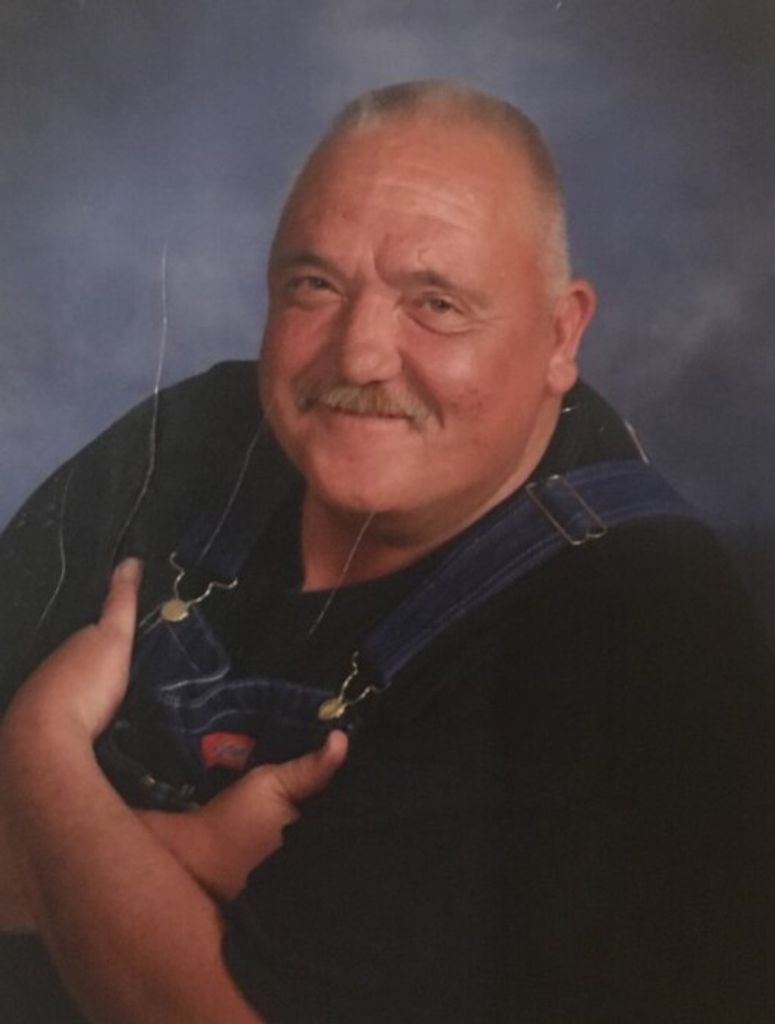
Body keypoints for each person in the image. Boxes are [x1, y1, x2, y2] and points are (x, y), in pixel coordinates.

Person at [0, 80, 774, 1023]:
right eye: (315, 286)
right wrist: (190, 852)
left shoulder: (631, 618)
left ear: (560, 333)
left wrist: (42, 749)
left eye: (435, 303)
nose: (359, 356)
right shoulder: (201, 434)